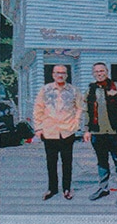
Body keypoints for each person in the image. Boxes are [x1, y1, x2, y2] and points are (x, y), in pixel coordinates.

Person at [83, 62, 117, 207]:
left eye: (102, 71)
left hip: (114, 132)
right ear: (93, 74)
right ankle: (103, 188)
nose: (99, 74)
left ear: (107, 71)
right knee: (102, 162)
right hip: (97, 132)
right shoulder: (90, 89)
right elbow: (87, 111)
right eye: (96, 71)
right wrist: (86, 130)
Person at [32, 64, 82, 201]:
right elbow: (38, 109)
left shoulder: (74, 90)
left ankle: (67, 188)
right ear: (53, 75)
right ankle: (52, 189)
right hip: (49, 131)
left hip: (67, 131)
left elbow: (80, 107)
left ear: (67, 75)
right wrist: (38, 128)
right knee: (51, 162)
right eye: (57, 73)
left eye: (63, 73)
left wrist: (76, 123)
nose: (60, 75)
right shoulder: (45, 90)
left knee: (67, 162)